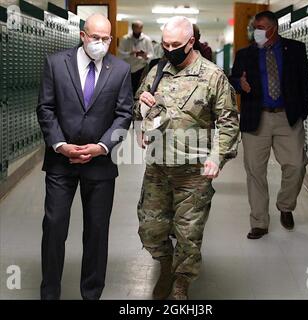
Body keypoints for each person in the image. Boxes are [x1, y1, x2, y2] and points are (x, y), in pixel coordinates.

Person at [133, 16, 239, 300]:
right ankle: (165, 265)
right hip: (157, 167)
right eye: (165, 44)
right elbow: (138, 107)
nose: (170, 49)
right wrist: (142, 111)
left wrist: (217, 157)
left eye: (176, 44)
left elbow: (229, 122)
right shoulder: (156, 71)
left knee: (188, 234)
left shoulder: (213, 76)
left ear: (191, 41)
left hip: (193, 171)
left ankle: (181, 281)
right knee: (150, 229)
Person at [37, 14, 132, 299]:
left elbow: (124, 113)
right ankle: (50, 292)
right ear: (82, 36)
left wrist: (102, 147)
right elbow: (46, 108)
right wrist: (59, 145)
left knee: (97, 231)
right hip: (60, 161)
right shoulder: (56, 63)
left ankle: (91, 293)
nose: (100, 44)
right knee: (54, 228)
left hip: (100, 164)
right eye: (95, 38)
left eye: (106, 39)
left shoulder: (121, 69)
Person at [229, 11, 308, 239]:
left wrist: (301, 113)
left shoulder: (295, 49)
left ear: (273, 28)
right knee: (255, 171)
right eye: (255, 26)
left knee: (296, 164)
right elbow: (234, 78)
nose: (257, 31)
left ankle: (285, 206)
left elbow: (305, 82)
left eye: (261, 26)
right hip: (257, 117)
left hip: (287, 117)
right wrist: (239, 83)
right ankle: (259, 222)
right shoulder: (245, 54)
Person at [118, 20, 154, 96]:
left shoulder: (146, 39)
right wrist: (130, 53)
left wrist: (145, 56)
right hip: (127, 68)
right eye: (136, 27)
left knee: (139, 88)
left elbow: (151, 55)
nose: (138, 29)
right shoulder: (125, 39)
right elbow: (119, 55)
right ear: (132, 28)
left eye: (140, 27)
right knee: (126, 90)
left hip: (141, 68)